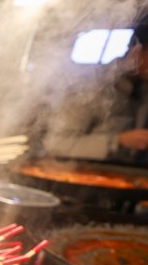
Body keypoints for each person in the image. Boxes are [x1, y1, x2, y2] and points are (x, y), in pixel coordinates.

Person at [44, 23, 148, 163]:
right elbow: (57, 144)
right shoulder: (91, 88)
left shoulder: (141, 90)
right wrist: (118, 141)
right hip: (76, 178)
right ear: (136, 52)